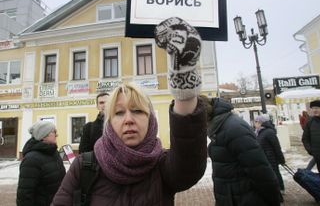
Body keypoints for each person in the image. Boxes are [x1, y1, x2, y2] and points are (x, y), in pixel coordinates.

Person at [51, 17, 207, 206]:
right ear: (108, 122)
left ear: (151, 120)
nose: (128, 120)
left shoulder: (162, 166)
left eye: (138, 111)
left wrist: (184, 83)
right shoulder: (84, 167)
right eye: (118, 113)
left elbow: (189, 165)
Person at [201, 96, 281, 206]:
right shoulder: (219, 127)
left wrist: (273, 200)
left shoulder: (234, 128)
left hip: (245, 199)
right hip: (233, 197)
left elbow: (260, 171)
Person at [16, 120, 66, 206]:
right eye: (54, 132)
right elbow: (25, 195)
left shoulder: (54, 153)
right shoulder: (31, 160)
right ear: (43, 136)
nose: (56, 135)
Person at [254, 115, 286, 197]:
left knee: (275, 173)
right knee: (271, 174)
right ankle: (275, 190)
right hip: (264, 157)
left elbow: (276, 146)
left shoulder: (268, 132)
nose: (255, 123)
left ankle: (281, 189)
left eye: (256, 122)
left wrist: (281, 159)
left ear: (261, 122)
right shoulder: (258, 132)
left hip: (270, 157)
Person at [302, 99, 320, 188]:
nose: (314, 110)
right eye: (313, 108)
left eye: (317, 108)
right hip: (319, 158)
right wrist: (312, 151)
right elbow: (305, 139)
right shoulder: (310, 122)